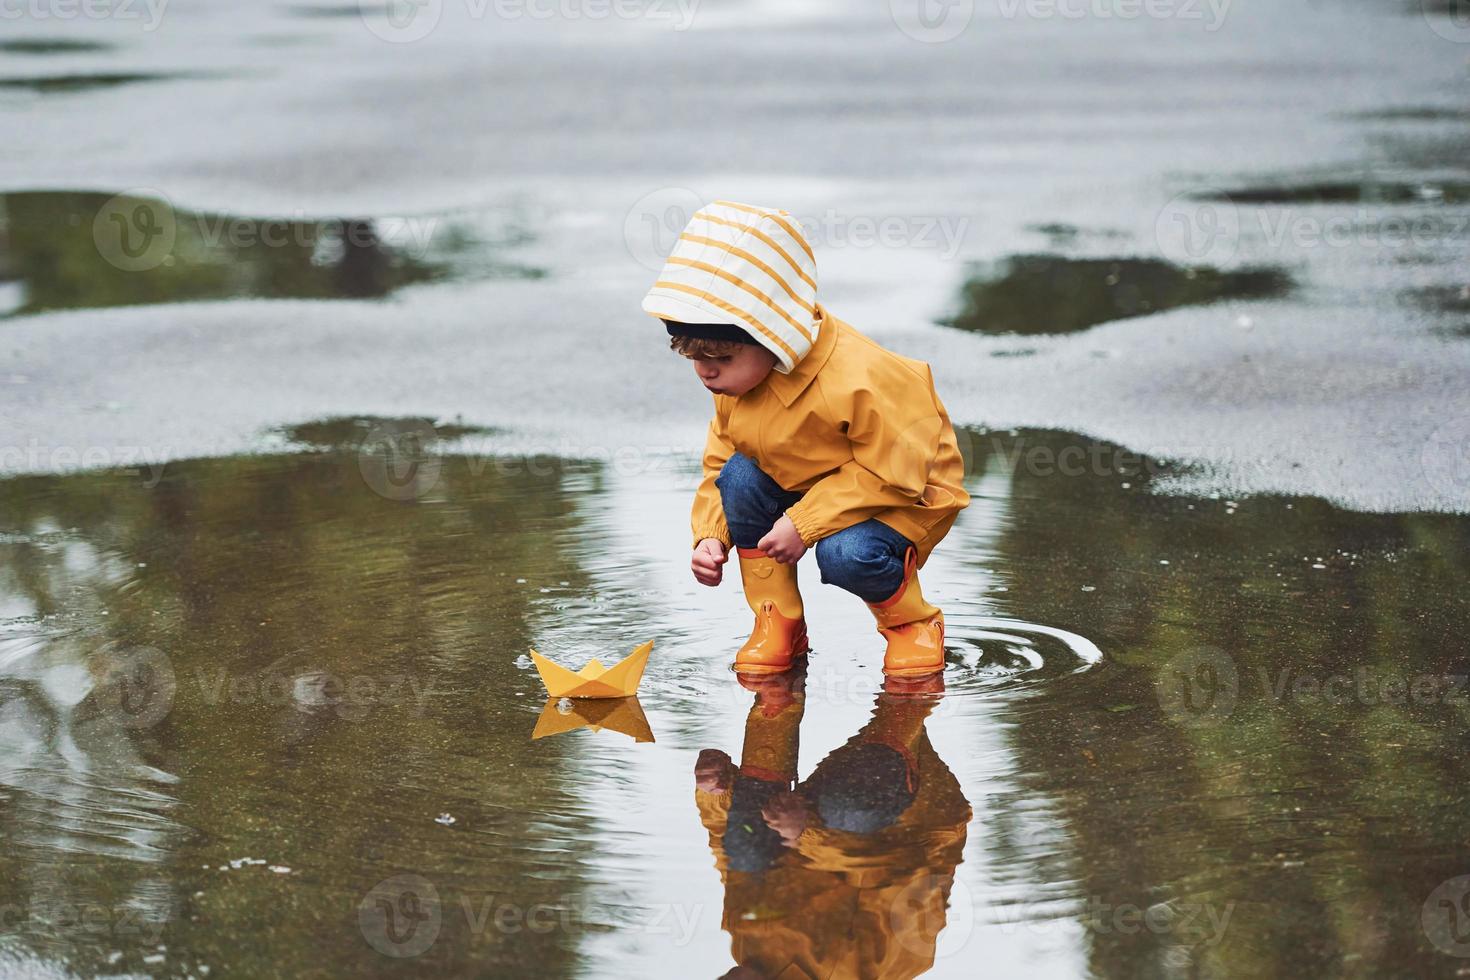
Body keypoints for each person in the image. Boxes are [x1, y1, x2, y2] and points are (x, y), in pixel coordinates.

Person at [640, 199, 969, 677]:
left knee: (845, 555)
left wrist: (803, 521)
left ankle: (911, 626)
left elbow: (895, 475)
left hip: (903, 492)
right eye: (693, 356)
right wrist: (711, 535)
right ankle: (779, 622)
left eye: (721, 358)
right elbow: (722, 461)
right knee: (738, 476)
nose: (705, 371)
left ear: (774, 335)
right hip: (809, 482)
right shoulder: (737, 382)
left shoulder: (864, 378)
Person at [693, 667, 972, 978]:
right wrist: (804, 834)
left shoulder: (747, 955)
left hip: (817, 814)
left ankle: (778, 689)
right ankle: (908, 691)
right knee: (851, 810)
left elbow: (733, 858)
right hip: (912, 819)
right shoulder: (861, 969)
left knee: (747, 850)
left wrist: (715, 792)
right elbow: (899, 865)